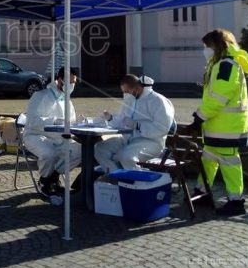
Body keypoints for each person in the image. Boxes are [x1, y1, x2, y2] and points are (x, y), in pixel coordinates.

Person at [189, 28, 248, 217]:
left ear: (217, 45)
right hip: (217, 127)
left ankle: (236, 202)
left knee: (229, 164)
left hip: (227, 128)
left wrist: (199, 117)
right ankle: (202, 193)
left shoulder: (226, 65)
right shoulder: (218, 64)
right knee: (208, 160)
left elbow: (219, 97)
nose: (205, 50)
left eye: (207, 46)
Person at [23, 66, 82, 201]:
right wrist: (54, 121)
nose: (72, 85)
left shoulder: (66, 99)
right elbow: (32, 121)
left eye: (74, 82)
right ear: (60, 79)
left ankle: (52, 177)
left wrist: (78, 122)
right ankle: (45, 182)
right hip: (35, 135)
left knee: (80, 151)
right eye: (70, 82)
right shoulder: (41, 96)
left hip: (59, 138)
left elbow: (69, 122)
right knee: (49, 153)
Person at [94, 74, 174, 172]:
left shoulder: (158, 101)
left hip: (151, 143)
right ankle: (117, 176)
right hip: (128, 140)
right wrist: (110, 118)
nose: (126, 94)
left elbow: (162, 128)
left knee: (126, 156)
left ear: (137, 87)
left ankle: (138, 182)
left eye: (127, 91)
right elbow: (122, 121)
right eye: (124, 92)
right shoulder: (130, 100)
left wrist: (138, 126)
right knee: (100, 149)